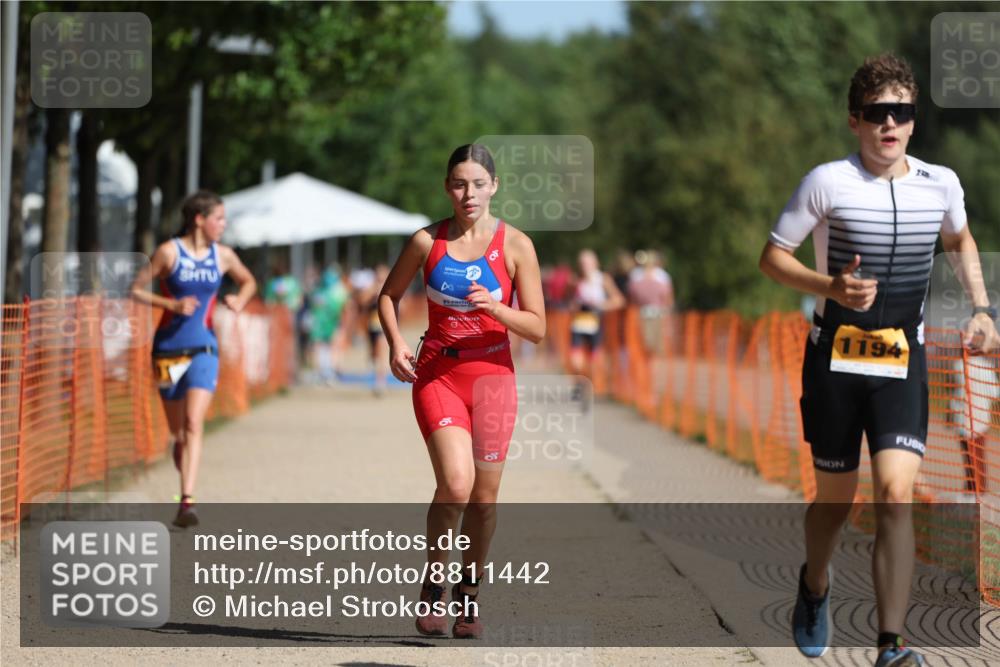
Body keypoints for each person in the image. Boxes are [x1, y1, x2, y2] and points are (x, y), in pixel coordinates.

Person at [759, 54, 999, 666]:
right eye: (877, 113)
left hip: (901, 360)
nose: (889, 124)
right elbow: (772, 258)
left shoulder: (940, 183)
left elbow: (959, 238)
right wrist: (830, 289)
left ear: (913, 121)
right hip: (835, 361)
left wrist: (980, 307)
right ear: (854, 121)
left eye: (901, 112)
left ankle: (891, 645)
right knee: (835, 506)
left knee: (896, 494)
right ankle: (815, 585)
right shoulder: (827, 182)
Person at [378, 144, 545, 639]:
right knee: (456, 483)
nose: (467, 193)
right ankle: (434, 582)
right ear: (446, 187)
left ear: (493, 186)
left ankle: (468, 593)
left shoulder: (516, 246)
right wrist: (394, 344)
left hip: (494, 379)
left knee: (484, 498)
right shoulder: (425, 241)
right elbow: (387, 296)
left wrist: (496, 309)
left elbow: (537, 327)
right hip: (438, 376)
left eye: (477, 183)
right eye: (457, 183)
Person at [131, 190, 257, 527]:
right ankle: (180, 450)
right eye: (219, 218)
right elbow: (136, 289)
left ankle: (186, 501)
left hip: (204, 346)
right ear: (199, 219)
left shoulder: (224, 256)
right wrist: (171, 305)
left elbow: (249, 281)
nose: (223, 225)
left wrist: (239, 300)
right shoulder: (169, 252)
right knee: (178, 432)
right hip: (168, 348)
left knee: (193, 422)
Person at [568, 249, 625, 401]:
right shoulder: (576, 280)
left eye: (587, 262)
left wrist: (600, 305)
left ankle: (589, 386)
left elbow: (619, 300)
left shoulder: (603, 279)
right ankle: (579, 383)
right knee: (576, 361)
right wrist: (575, 305)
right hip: (579, 323)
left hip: (595, 323)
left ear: (595, 263)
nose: (584, 266)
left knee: (594, 360)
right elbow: (569, 302)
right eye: (582, 263)